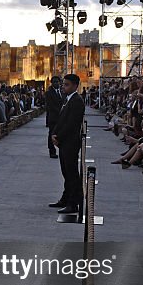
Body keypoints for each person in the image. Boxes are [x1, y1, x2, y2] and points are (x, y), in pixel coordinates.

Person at [49, 74, 86, 215]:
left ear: (75, 86)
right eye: (64, 84)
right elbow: (61, 119)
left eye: (67, 84)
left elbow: (72, 123)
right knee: (66, 172)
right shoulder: (67, 99)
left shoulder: (77, 101)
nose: (64, 87)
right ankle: (66, 198)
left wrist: (59, 136)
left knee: (71, 173)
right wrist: (54, 133)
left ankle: (73, 203)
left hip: (70, 142)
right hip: (64, 142)